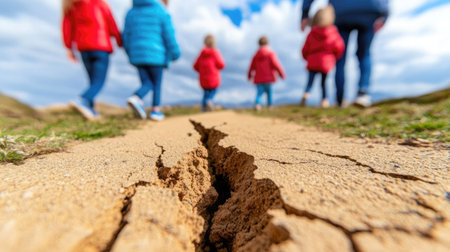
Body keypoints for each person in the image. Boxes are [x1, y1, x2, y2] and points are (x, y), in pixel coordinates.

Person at [301, 0, 389, 107]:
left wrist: (305, 13)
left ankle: (340, 99)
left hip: (341, 11)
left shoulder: (313, 33)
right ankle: (363, 93)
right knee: (364, 54)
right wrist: (385, 13)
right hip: (369, 9)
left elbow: (308, 50)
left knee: (340, 59)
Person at [62, 0, 122, 120]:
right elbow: (112, 24)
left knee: (92, 81)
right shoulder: (101, 4)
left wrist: (69, 48)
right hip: (101, 47)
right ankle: (83, 100)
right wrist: (119, 41)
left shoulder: (72, 7)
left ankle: (90, 111)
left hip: (84, 48)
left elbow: (67, 28)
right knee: (98, 81)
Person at [123, 0, 181, 120]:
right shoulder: (161, 11)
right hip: (157, 55)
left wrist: (130, 52)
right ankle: (154, 109)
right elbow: (169, 34)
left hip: (137, 54)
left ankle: (137, 100)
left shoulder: (131, 12)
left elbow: (126, 35)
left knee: (146, 82)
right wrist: (175, 52)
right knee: (156, 84)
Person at [301, 5, 345, 108]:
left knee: (309, 82)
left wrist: (307, 58)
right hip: (326, 63)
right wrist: (335, 57)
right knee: (323, 84)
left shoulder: (312, 33)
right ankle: (324, 101)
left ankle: (306, 94)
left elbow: (305, 49)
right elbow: (339, 47)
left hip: (312, 62)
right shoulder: (333, 33)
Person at [248, 36, 285, 111]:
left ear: (258, 44)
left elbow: (251, 67)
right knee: (269, 93)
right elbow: (276, 64)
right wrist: (281, 73)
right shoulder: (270, 54)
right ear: (268, 43)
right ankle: (270, 106)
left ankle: (258, 104)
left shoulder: (256, 55)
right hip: (269, 78)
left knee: (259, 93)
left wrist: (249, 75)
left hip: (258, 78)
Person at [193, 35, 226, 112]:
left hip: (203, 78)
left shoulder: (201, 54)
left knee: (205, 93)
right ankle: (209, 101)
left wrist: (201, 70)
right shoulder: (215, 52)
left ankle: (204, 107)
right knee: (212, 92)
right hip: (213, 77)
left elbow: (195, 66)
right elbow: (221, 64)